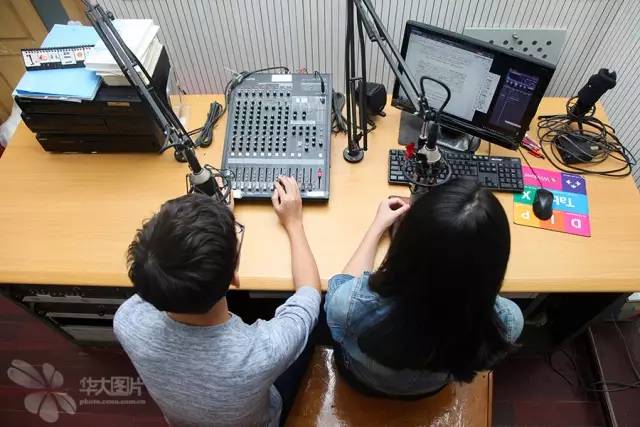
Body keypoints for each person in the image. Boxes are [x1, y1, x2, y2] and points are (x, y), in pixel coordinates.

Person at [114, 177, 321, 427]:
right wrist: (294, 223)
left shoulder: (127, 320)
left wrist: (212, 222)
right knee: (313, 336)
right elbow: (309, 296)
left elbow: (165, 268)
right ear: (235, 277)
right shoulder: (260, 353)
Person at [324, 178, 524, 398]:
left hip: (362, 380)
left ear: (404, 244)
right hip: (429, 391)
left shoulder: (349, 306)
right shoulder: (508, 322)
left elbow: (343, 284)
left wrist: (376, 227)